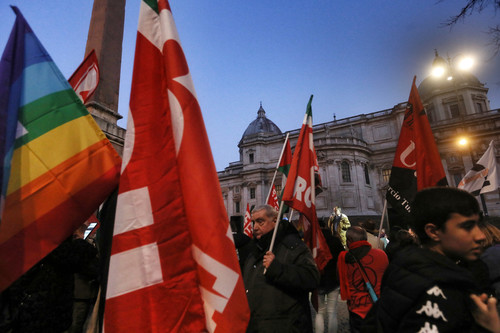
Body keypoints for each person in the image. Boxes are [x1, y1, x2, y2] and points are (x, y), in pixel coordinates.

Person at [371, 187, 498, 332]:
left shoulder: (452, 273)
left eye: (478, 225)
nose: (480, 236)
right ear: (433, 232)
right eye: (468, 226)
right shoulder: (432, 290)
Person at [0, 230, 99, 333]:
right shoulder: (51, 241)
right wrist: (80, 238)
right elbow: (76, 257)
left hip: (24, 305)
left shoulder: (18, 236)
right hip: (45, 310)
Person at [242, 204, 320, 333]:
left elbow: (312, 277)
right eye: (253, 222)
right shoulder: (254, 250)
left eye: (260, 222)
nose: (255, 227)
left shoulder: (292, 245)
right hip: (256, 325)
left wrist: (278, 269)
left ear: (275, 221)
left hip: (285, 326)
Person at [337, 226, 388, 333]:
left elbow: (340, 279)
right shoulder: (382, 255)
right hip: (378, 307)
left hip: (357, 310)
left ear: (349, 241)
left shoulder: (344, 259)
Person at [315, 219, 345, 333]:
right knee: (332, 312)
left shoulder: (313, 242)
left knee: (319, 312)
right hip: (333, 280)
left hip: (318, 280)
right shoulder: (335, 240)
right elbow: (341, 258)